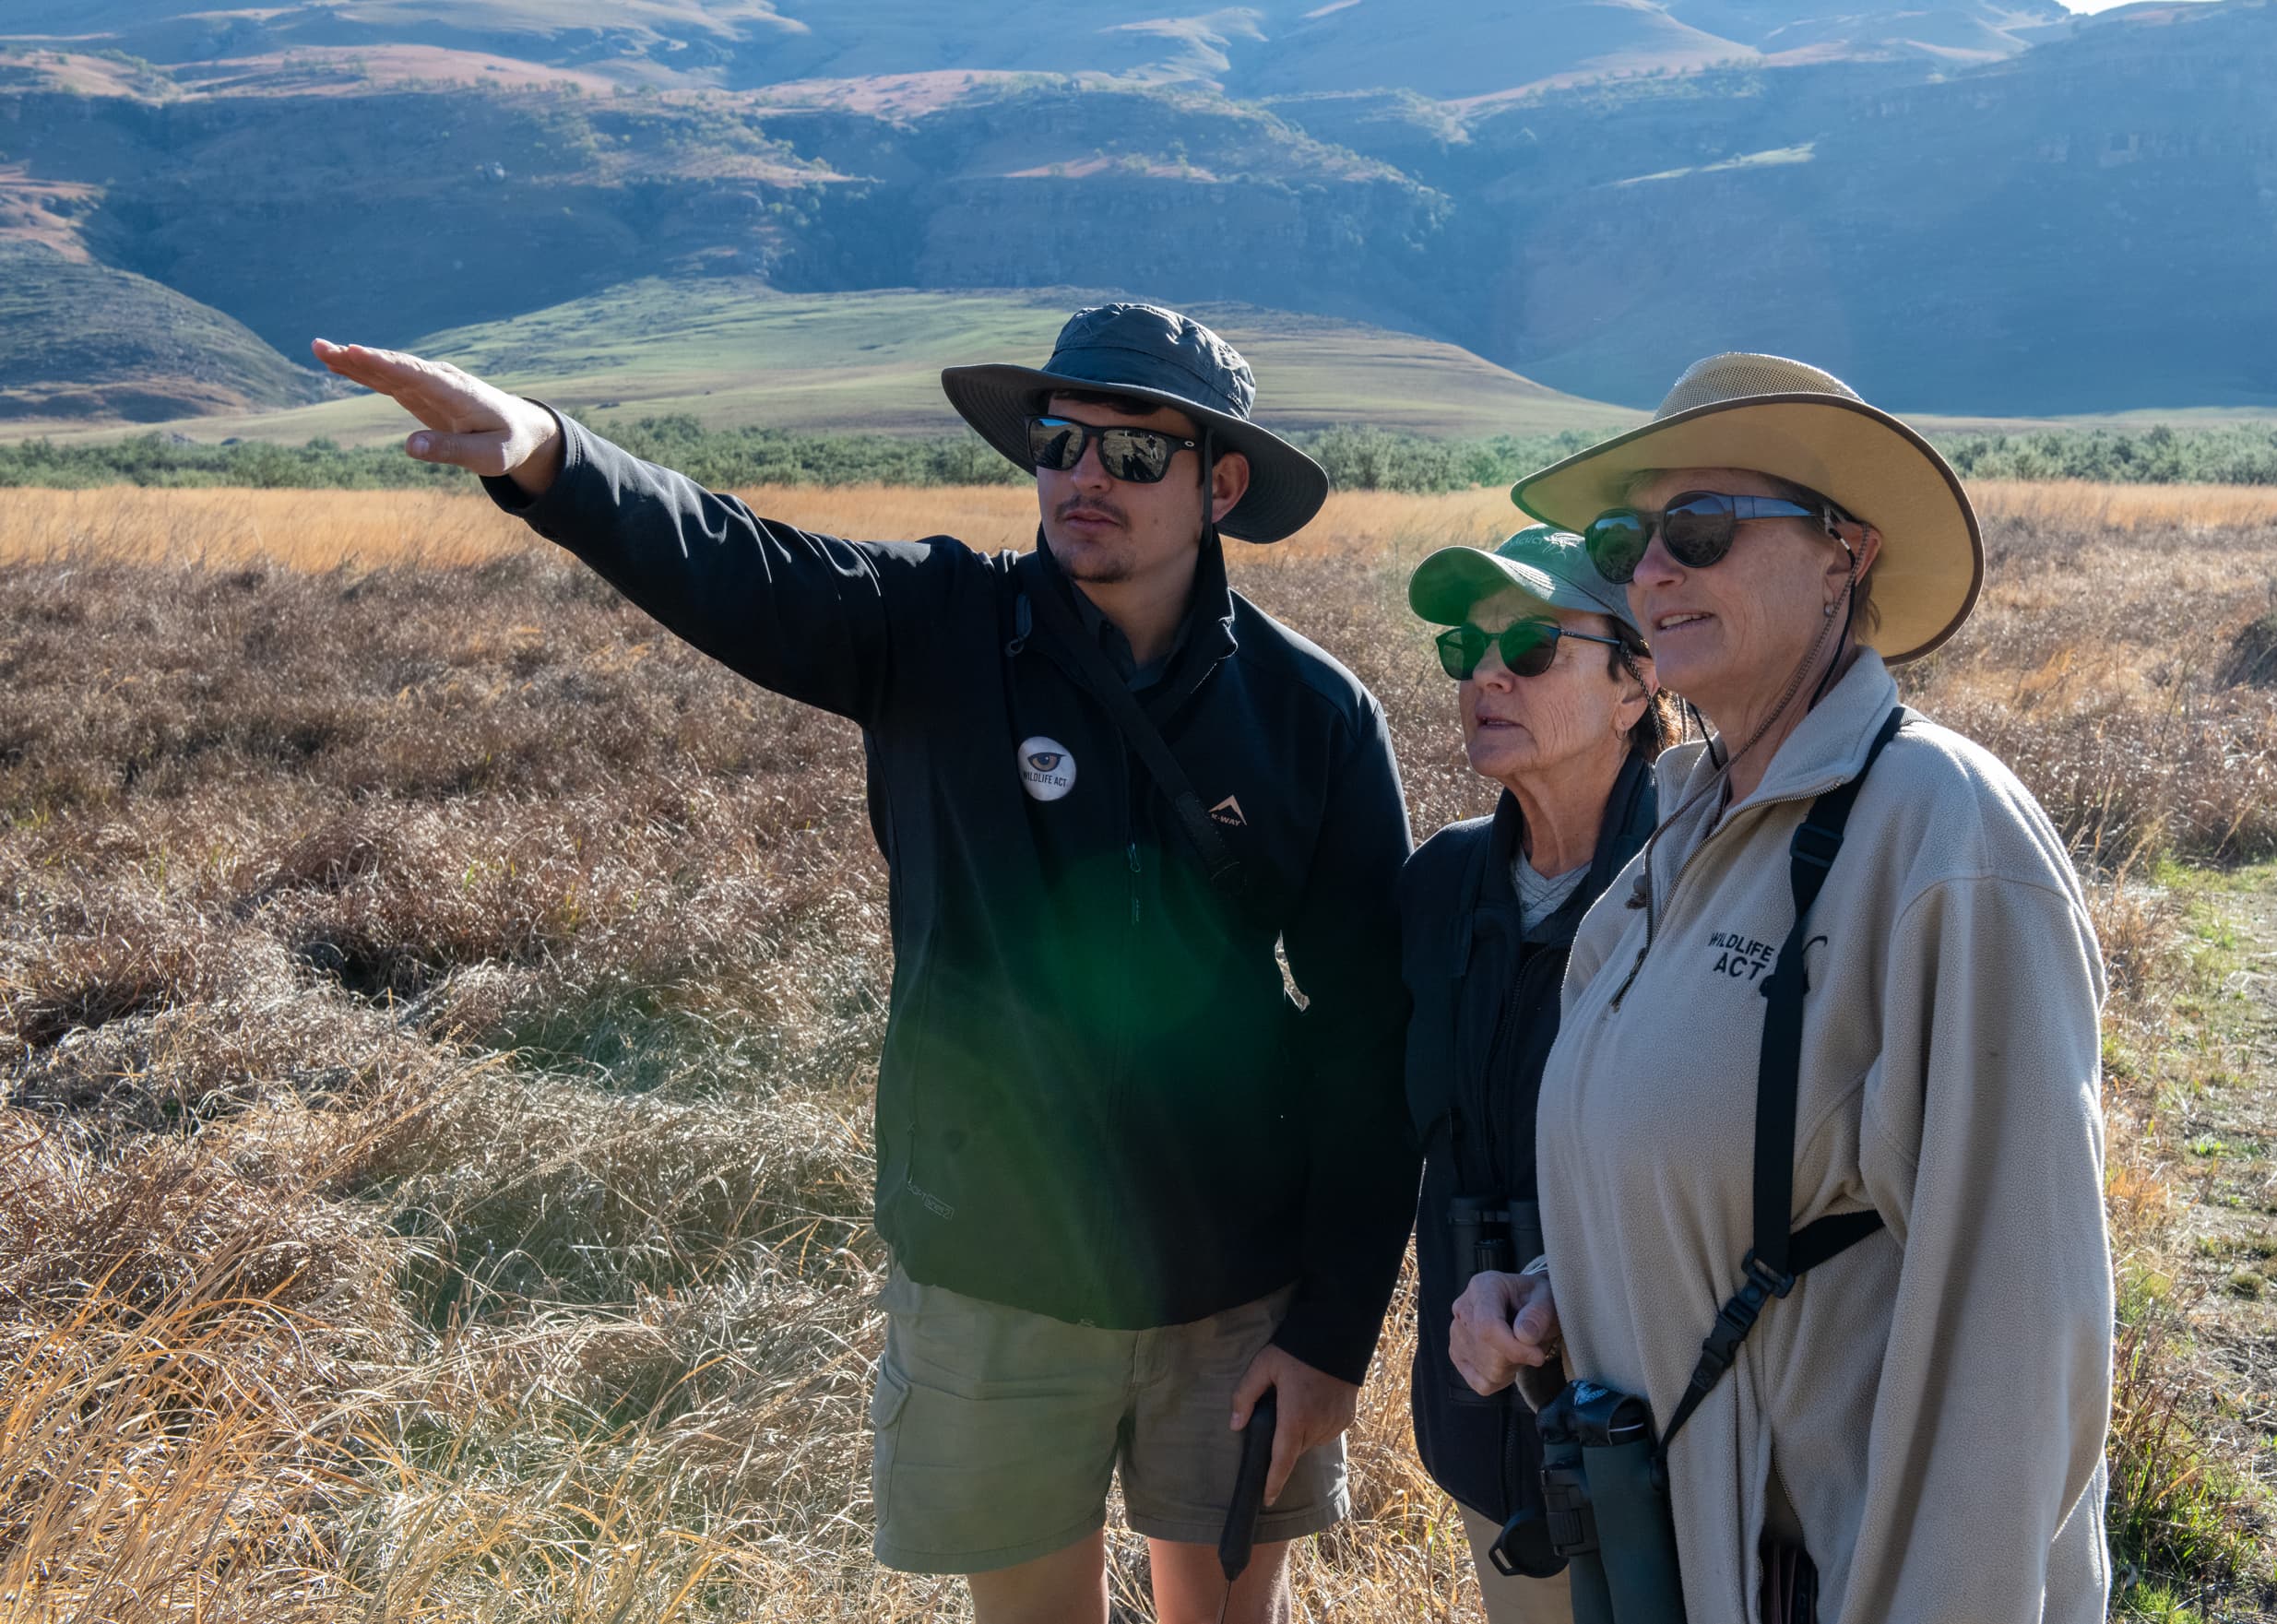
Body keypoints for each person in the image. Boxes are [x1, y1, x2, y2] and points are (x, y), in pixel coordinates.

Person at [314, 303, 1417, 1624]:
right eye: (1058, 441)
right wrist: (551, 454)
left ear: (1219, 484)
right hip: (995, 1274)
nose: (1081, 477)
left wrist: (1333, 1330)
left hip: (1237, 1297)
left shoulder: (1311, 713)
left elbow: (1371, 1036)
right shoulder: (934, 630)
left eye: (1132, 455)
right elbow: (738, 563)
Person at [1449, 353, 2114, 1623]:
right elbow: (1747, 1173)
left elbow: (2020, 1331)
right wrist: (1565, 1284)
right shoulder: (1688, 823)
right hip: (1666, 1559)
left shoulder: (1942, 835)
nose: (1649, 569)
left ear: (1840, 558)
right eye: (1627, 536)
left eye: (1698, 528)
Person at [1397, 525, 1671, 1623]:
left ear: (1635, 685)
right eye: (1466, 648)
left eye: (1531, 647)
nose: (1487, 675)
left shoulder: (1696, 886)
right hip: (1479, 1417)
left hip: (1651, 1427)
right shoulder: (1439, 884)